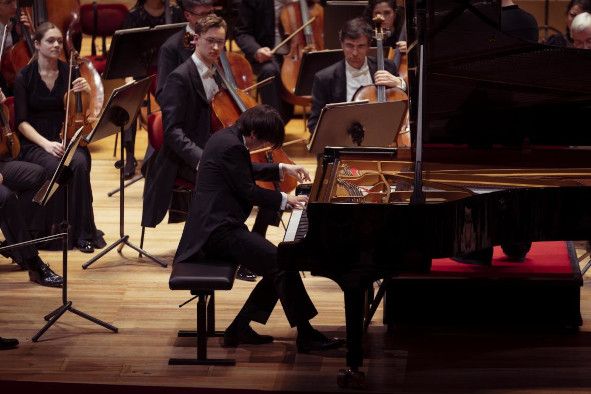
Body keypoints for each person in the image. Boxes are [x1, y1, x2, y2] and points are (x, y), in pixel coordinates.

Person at [175, 105, 344, 352]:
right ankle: (305, 335)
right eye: (264, 141)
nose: (263, 147)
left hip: (216, 225)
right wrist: (287, 201)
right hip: (217, 232)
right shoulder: (233, 146)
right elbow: (248, 190)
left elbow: (240, 168)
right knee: (282, 264)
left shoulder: (225, 137)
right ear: (254, 133)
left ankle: (240, 328)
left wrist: (281, 168)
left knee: (279, 266)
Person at [14, 22, 105, 254]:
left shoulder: (70, 71)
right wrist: (46, 144)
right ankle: (53, 231)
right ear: (36, 44)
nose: (56, 45)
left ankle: (83, 232)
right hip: (36, 141)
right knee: (57, 167)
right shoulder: (24, 77)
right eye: (50, 41)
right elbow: (21, 122)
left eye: (58, 41)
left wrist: (85, 92)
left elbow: (80, 110)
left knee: (81, 163)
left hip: (66, 135)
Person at [121, 0, 186, 179]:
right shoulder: (134, 15)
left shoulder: (175, 12)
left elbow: (183, 44)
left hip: (167, 69)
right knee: (128, 99)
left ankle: (169, 150)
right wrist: (129, 77)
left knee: (174, 98)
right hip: (139, 69)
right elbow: (127, 50)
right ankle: (129, 157)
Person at [308, 17, 405, 132]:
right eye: (349, 45)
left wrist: (400, 83)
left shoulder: (387, 67)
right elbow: (314, 124)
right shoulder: (324, 78)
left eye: (360, 46)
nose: (354, 53)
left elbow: (405, 104)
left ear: (369, 46)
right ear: (342, 44)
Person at [234, 0, 294, 123]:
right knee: (269, 70)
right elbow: (241, 32)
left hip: (297, 54)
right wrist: (256, 50)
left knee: (319, 69)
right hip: (266, 54)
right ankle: (273, 126)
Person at [156, 0, 215, 101]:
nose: (210, 20)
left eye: (210, 13)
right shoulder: (170, 48)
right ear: (188, 15)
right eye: (203, 15)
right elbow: (164, 96)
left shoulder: (216, 39)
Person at [363, 0, 406, 68]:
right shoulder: (366, 34)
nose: (382, 18)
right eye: (377, 13)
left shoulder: (404, 33)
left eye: (387, 13)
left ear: (394, 14)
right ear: (372, 15)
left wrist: (410, 49)